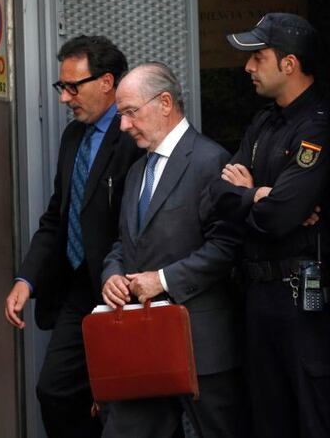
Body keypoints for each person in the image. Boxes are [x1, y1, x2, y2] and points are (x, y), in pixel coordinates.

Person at [209, 13, 330, 437]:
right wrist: (260, 196)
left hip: (303, 291)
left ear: (289, 64)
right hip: (257, 292)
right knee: (267, 416)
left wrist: (255, 196)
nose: (248, 67)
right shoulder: (264, 122)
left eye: (258, 57)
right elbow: (216, 194)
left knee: (311, 410)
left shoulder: (319, 123)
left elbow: (282, 214)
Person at [3, 35, 141, 437]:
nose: (65, 98)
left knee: (124, 402)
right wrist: (26, 279)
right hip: (76, 287)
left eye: (72, 87)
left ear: (107, 82)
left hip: (124, 290)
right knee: (55, 391)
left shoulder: (133, 134)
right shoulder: (72, 137)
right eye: (60, 87)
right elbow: (56, 217)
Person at [100, 62, 243, 438]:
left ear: (165, 102)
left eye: (131, 112)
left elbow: (227, 246)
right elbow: (124, 242)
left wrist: (162, 280)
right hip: (143, 347)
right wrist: (111, 275)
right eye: (121, 115)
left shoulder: (210, 160)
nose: (124, 125)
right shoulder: (137, 172)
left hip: (201, 347)